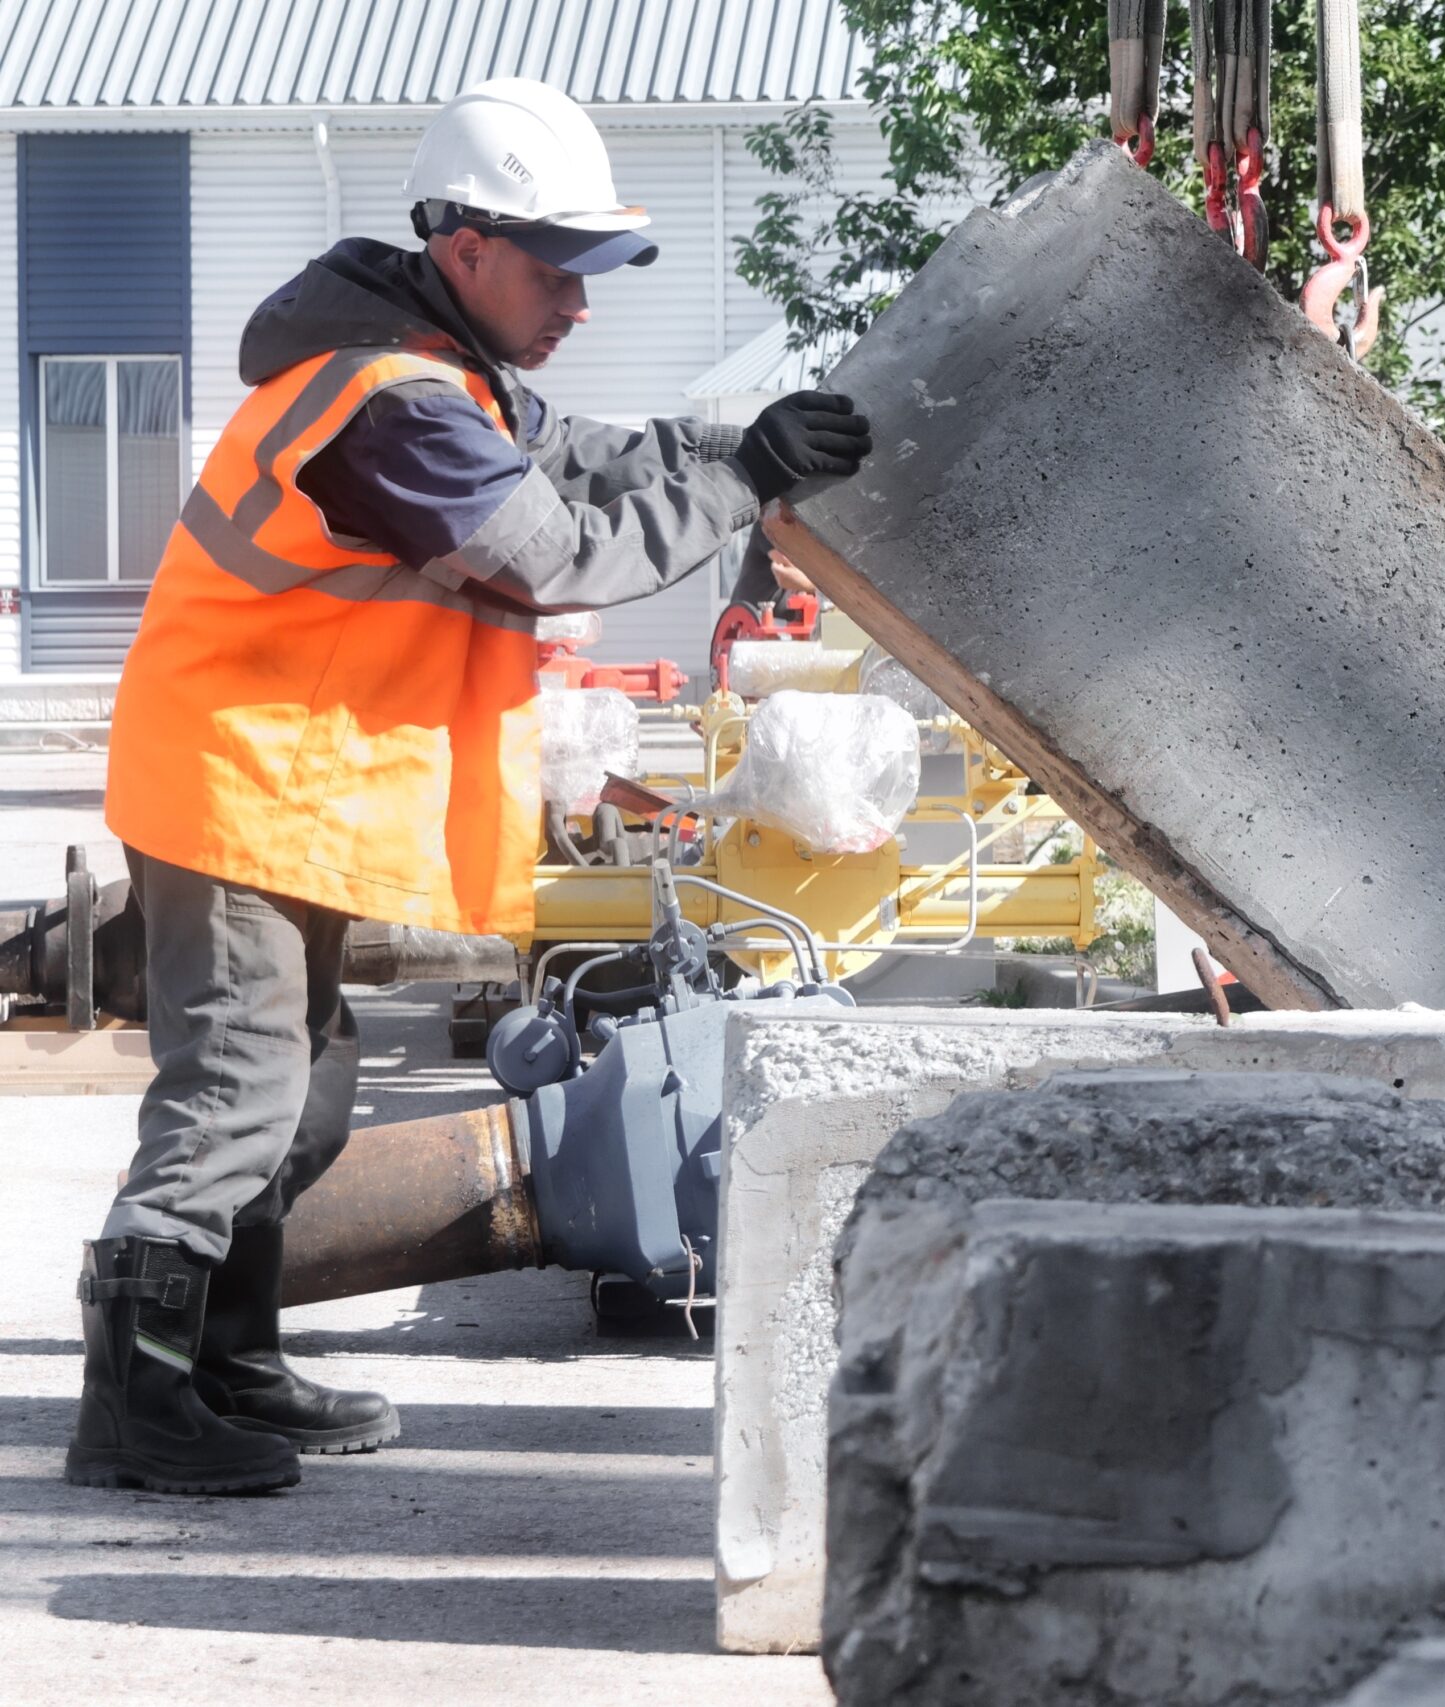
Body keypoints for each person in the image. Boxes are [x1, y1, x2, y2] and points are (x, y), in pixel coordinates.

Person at [69, 77, 872, 1495]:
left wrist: (741, 439)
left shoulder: (443, 377)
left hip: (281, 776)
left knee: (304, 1087)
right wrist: (743, 481)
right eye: (559, 267)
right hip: (236, 777)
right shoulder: (394, 408)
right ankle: (135, 1397)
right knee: (241, 1088)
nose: (581, 298)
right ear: (464, 248)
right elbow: (558, 552)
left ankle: (232, 1360)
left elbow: (597, 456)